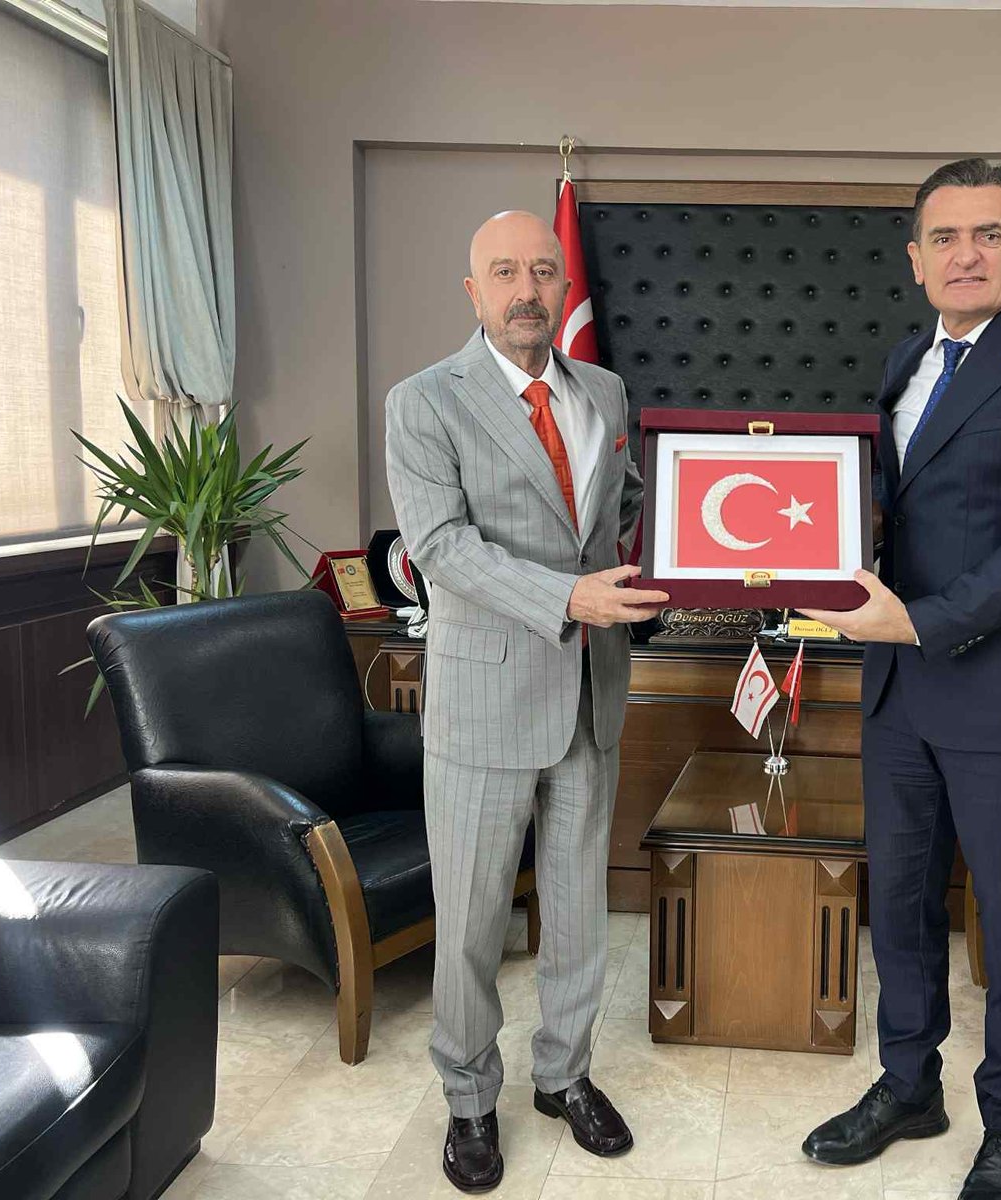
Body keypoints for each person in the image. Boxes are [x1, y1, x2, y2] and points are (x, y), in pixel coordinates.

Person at [799, 159, 1001, 1200]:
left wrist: (917, 622)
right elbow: (894, 512)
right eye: (944, 237)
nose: (965, 255)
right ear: (915, 259)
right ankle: (908, 1086)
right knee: (898, 906)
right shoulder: (907, 359)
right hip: (899, 691)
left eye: (987, 234)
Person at [386, 211, 668, 1194]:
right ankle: (469, 1098)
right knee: (470, 924)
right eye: (504, 272)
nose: (527, 289)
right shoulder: (424, 401)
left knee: (579, 909)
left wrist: (678, 544)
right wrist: (571, 598)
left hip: (589, 693)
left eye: (543, 271)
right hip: (485, 700)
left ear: (564, 287)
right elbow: (442, 547)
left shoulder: (605, 391)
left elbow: (626, 504)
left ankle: (564, 1076)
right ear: (474, 291)